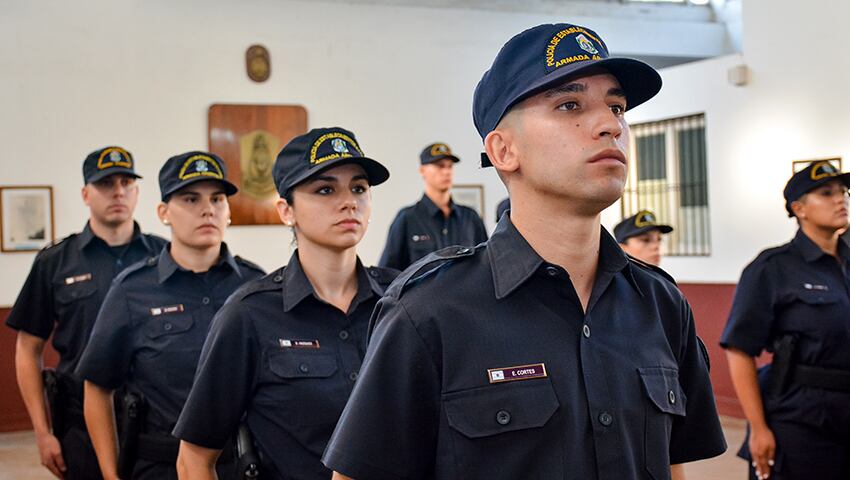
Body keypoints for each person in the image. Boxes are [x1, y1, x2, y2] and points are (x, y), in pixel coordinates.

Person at [323, 23, 726, 480]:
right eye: (570, 105)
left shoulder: (660, 304)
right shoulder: (429, 313)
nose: (610, 125)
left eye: (616, 106)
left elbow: (672, 463)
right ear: (503, 150)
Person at [173, 127, 399, 480]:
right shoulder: (249, 315)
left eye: (359, 188)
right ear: (286, 210)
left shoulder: (401, 301)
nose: (348, 201)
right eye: (325, 189)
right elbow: (194, 460)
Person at [75, 151, 264, 480]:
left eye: (217, 199)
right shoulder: (132, 290)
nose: (207, 210)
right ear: (164, 212)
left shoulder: (254, 286)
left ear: (228, 212)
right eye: (191, 199)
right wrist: (110, 474)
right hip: (160, 465)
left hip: (243, 464)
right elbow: (97, 388)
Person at [5, 146, 166, 479]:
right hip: (80, 425)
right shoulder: (56, 261)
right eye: (106, 184)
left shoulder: (165, 257)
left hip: (156, 422)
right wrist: (41, 430)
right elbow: (27, 348)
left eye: (126, 182)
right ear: (85, 194)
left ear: (136, 192)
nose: (118, 192)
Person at [720, 161, 850, 480]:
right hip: (802, 416)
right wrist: (759, 429)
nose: (841, 199)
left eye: (844, 191)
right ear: (799, 208)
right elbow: (739, 349)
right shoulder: (773, 269)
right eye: (826, 192)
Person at [378, 142, 487, 270]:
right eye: (440, 166)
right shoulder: (407, 218)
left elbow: (486, 263)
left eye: (450, 166)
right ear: (422, 170)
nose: (446, 172)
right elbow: (388, 272)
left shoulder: (470, 217)